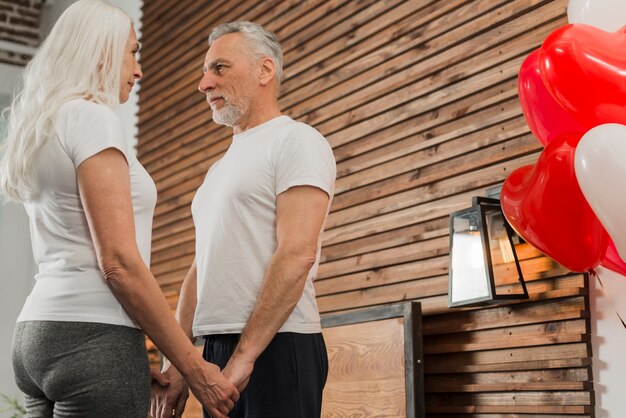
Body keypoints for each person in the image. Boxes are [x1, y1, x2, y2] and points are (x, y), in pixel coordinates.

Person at [0, 1, 238, 417]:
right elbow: (119, 264)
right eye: (133, 52)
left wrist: (118, 359)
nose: (138, 69)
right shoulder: (92, 117)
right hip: (94, 335)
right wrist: (193, 366)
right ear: (102, 51)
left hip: (35, 337)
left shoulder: (43, 125)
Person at [150, 21, 336, 418]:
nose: (204, 84)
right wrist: (181, 363)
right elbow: (201, 269)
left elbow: (297, 254)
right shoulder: (218, 170)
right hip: (217, 347)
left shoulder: (297, 140)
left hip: (279, 345)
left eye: (219, 68)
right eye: (205, 72)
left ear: (264, 70)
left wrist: (245, 357)